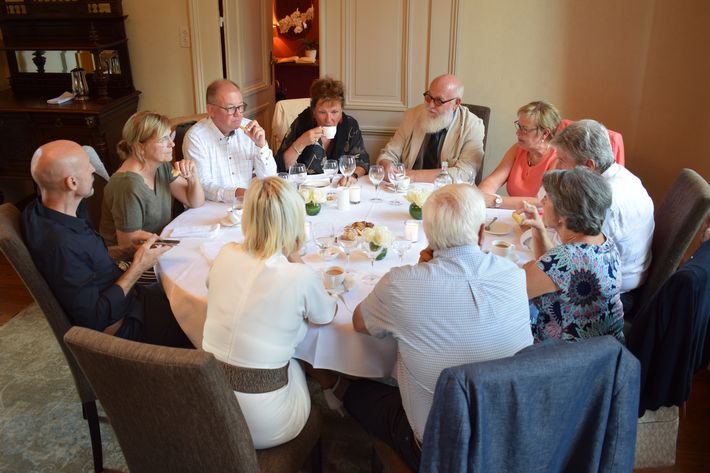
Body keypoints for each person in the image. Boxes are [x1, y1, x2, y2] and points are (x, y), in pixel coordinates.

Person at [319, 184, 533, 470]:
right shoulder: (514, 275)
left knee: (359, 390)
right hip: (512, 442)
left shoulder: (401, 283)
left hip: (441, 455)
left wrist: (418, 275)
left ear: (428, 236)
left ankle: (336, 390)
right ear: (482, 233)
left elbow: (359, 323)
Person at [202, 176, 336, 449]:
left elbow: (209, 284)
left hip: (210, 407)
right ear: (294, 221)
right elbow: (325, 315)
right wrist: (297, 259)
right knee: (298, 354)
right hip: (266, 426)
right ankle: (334, 392)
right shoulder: (300, 277)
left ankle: (332, 391)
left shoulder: (225, 253)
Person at [22, 140, 191, 347]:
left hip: (128, 296)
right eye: (87, 166)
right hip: (127, 327)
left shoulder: (42, 211)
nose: (93, 169)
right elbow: (95, 318)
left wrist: (127, 250)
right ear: (72, 183)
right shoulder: (61, 245)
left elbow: (88, 259)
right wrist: (138, 266)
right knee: (199, 321)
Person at [553, 119, 654, 303]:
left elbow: (575, 259)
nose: (557, 167)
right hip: (626, 272)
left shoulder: (601, 201)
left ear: (588, 166)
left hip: (613, 294)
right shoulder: (625, 176)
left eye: (562, 160)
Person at [521, 167, 625, 343]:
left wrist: (526, 270)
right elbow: (554, 270)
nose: (542, 201)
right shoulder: (605, 243)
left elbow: (511, 293)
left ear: (563, 214)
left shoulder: (565, 260)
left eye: (548, 197)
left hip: (567, 355)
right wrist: (538, 228)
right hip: (607, 351)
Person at [100, 111, 205, 247]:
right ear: (140, 146)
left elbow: (195, 202)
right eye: (163, 140)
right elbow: (127, 246)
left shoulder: (161, 166)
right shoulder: (126, 186)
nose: (172, 144)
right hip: (134, 257)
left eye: (170, 136)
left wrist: (193, 177)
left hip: (157, 245)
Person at [377, 74, 485, 183]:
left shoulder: (473, 126)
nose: (430, 105)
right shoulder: (412, 115)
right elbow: (388, 154)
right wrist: (386, 164)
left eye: (439, 101)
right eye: (428, 97)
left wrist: (414, 175)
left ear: (456, 103)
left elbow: (465, 173)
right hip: (408, 188)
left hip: (448, 190)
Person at [183, 79, 277, 202]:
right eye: (231, 108)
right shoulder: (196, 137)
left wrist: (261, 146)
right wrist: (237, 193)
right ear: (211, 110)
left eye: (240, 106)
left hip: (247, 205)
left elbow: (270, 179)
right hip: (212, 208)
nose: (238, 114)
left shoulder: (249, 129)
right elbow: (203, 186)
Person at [275, 76, 369, 183]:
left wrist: (352, 176)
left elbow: (362, 162)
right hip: (307, 188)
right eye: (322, 112)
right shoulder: (302, 123)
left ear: (341, 110)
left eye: (334, 112)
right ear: (314, 111)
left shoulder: (349, 125)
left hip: (338, 187)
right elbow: (280, 167)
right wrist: (301, 142)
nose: (328, 119)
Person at [479, 100, 561, 209]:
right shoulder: (518, 149)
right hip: (513, 215)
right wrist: (481, 195)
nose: (517, 133)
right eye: (519, 126)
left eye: (525, 129)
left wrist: (495, 201)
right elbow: (492, 182)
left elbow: (541, 201)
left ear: (545, 133)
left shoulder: (558, 159)